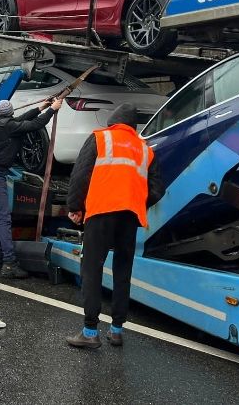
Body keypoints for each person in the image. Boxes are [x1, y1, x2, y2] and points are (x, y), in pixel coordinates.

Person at [64, 103, 164, 349]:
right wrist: (137, 200)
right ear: (133, 127)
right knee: (122, 272)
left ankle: (89, 332)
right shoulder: (145, 149)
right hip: (130, 215)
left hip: (101, 211)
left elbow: (81, 174)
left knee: (92, 268)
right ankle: (117, 330)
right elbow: (158, 190)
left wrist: (76, 206)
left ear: (112, 121)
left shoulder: (100, 138)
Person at [0, 98, 61, 278]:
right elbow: (35, 124)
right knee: (3, 219)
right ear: (9, 114)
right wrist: (53, 110)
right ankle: (9, 264)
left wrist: (41, 106)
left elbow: (21, 119)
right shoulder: (9, 127)